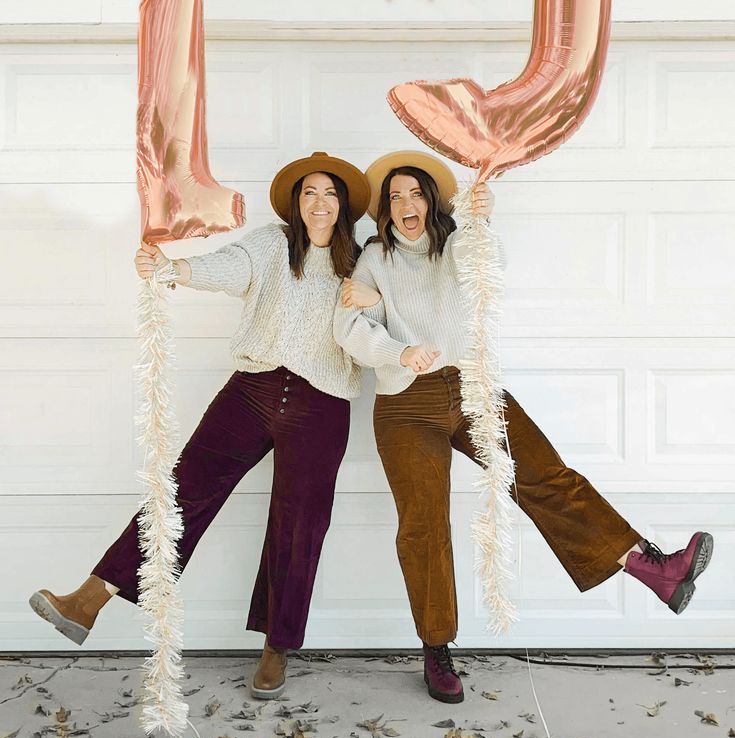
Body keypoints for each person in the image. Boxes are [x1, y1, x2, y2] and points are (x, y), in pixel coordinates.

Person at [333, 150, 714, 705]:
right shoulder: (373, 260)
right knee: (424, 524)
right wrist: (398, 347)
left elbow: (487, 265)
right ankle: (436, 648)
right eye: (394, 197)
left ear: (433, 201)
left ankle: (651, 567)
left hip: (473, 388)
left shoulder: (457, 244)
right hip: (404, 403)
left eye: (415, 193)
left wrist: (480, 218)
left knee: (545, 477)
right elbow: (347, 325)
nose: (405, 205)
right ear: (385, 210)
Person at [30, 151, 371, 700]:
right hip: (253, 390)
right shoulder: (270, 244)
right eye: (309, 192)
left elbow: (412, 281)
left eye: (330, 194)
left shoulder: (367, 258)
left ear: (345, 204)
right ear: (295, 201)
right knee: (181, 493)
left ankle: (276, 647)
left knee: (298, 523)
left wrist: (377, 293)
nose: (319, 203)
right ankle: (88, 599)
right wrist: (173, 270)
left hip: (322, 402)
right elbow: (227, 266)